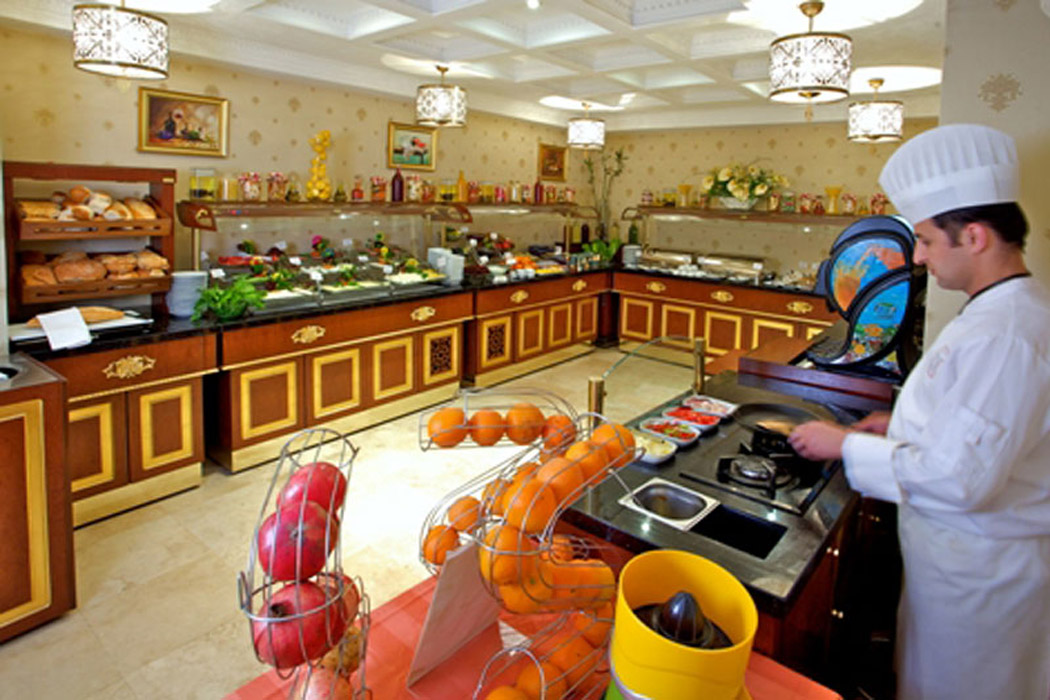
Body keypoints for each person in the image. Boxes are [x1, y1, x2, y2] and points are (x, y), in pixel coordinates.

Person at [788, 124, 1050, 700]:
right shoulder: (1001, 311)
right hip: (958, 564)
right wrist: (902, 425)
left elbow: (961, 478)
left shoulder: (1006, 333)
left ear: (974, 237)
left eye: (927, 240)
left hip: (982, 577)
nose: (920, 257)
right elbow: (976, 427)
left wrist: (844, 444)